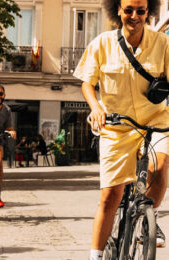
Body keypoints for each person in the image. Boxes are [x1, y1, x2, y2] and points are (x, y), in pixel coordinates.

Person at [73, 1, 168, 259]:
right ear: (118, 9)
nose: (134, 16)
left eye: (140, 10)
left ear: (148, 12)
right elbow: (87, 83)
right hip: (117, 126)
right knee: (109, 196)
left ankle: (150, 216)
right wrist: (95, 107)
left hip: (155, 121)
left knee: (160, 168)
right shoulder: (102, 43)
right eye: (129, 10)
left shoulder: (163, 44)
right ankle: (95, 255)